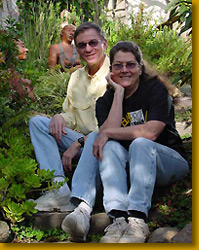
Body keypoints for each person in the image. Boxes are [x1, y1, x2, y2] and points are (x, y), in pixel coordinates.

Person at [61, 41, 189, 243]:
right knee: (98, 138)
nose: (124, 70)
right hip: (133, 166)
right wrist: (118, 94)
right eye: (118, 65)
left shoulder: (155, 90)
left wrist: (106, 133)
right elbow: (106, 137)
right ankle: (110, 216)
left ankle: (137, 220)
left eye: (130, 65)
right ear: (111, 70)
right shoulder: (105, 101)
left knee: (140, 142)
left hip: (168, 161)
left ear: (140, 67)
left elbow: (151, 132)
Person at [29, 22, 109, 212]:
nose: (88, 49)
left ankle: (83, 202)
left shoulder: (116, 73)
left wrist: (79, 143)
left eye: (93, 43)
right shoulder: (76, 77)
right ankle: (59, 190)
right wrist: (59, 117)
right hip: (81, 143)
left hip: (105, 146)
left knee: (97, 139)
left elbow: (114, 126)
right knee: (38, 123)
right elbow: (71, 116)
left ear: (104, 44)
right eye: (82, 45)